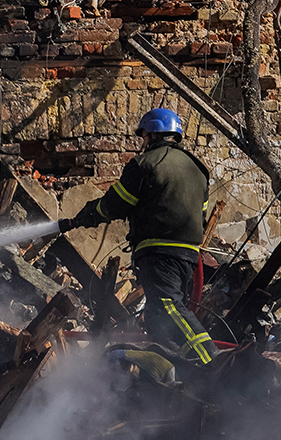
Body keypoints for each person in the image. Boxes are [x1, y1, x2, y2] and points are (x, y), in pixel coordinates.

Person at [60, 107, 215, 367]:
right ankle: (170, 374)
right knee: (158, 318)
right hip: (188, 255)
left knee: (168, 306)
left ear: (154, 134)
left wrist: (89, 214)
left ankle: (210, 361)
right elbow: (201, 215)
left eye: (144, 136)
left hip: (158, 251)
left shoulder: (146, 164)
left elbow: (116, 203)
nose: (142, 142)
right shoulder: (198, 169)